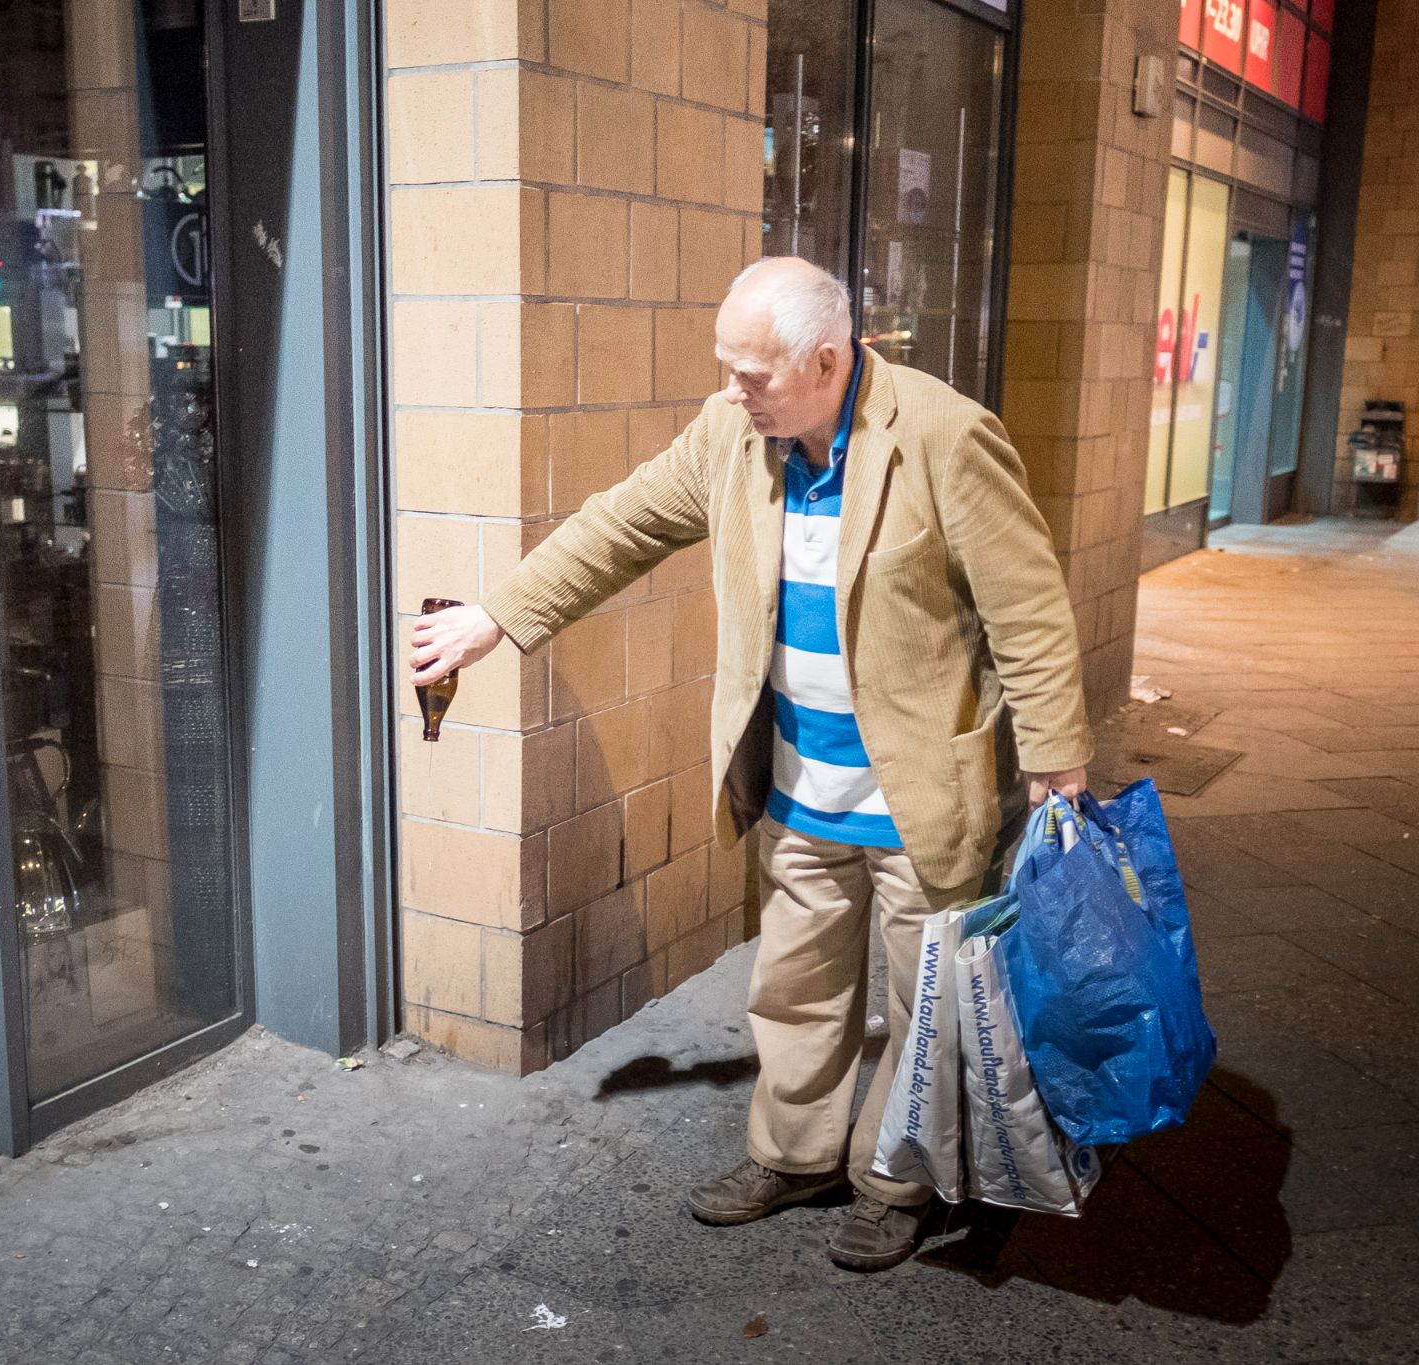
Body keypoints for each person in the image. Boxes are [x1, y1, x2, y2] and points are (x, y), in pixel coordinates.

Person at [410, 256, 1090, 1272]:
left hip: (919, 793)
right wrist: (496, 620)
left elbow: (1027, 609)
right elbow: (620, 524)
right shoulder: (731, 434)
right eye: (725, 367)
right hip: (799, 783)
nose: (731, 390)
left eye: (752, 373)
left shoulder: (945, 436)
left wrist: (1054, 760)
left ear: (827, 361)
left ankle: (893, 1181)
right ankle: (794, 1156)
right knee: (794, 987)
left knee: (928, 1010)